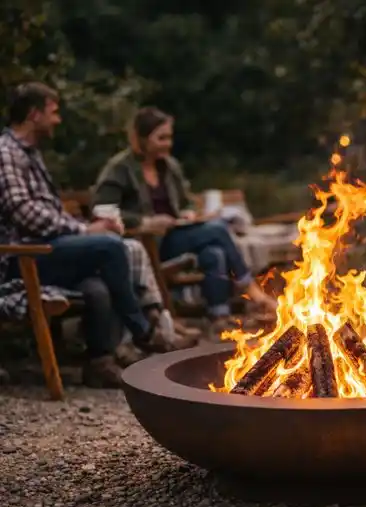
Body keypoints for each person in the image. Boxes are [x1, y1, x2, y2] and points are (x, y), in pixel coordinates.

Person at [0, 82, 175, 386]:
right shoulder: (6, 153)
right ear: (33, 114)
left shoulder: (30, 154)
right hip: (21, 258)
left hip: (44, 249)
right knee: (109, 246)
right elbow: (22, 211)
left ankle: (99, 362)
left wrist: (85, 224)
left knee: (97, 286)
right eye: (53, 113)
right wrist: (84, 230)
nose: (58, 120)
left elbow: (45, 211)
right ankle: (142, 330)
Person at [93, 106, 278, 333]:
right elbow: (102, 209)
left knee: (214, 253)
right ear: (141, 138)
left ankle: (219, 316)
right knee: (218, 230)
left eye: (169, 137)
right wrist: (145, 222)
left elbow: (186, 201)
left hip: (174, 237)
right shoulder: (120, 168)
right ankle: (253, 292)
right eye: (161, 138)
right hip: (146, 244)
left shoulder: (169, 167)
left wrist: (187, 213)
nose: (167, 144)